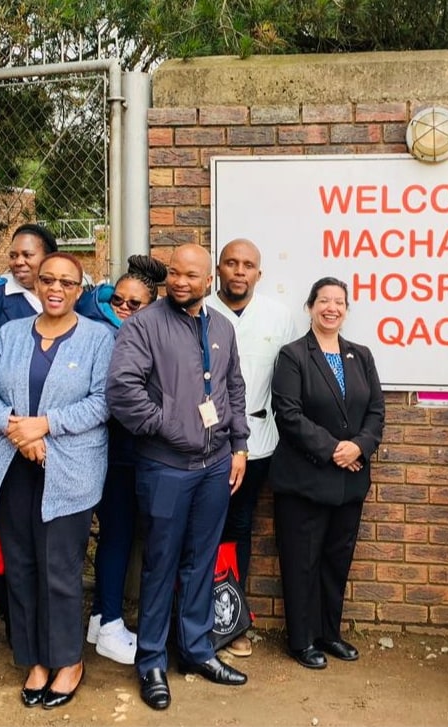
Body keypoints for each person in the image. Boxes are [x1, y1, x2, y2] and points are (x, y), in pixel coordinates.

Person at [106, 244, 251, 711]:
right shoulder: (145, 325)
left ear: (208, 280)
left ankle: (196, 650)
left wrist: (240, 445)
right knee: (160, 563)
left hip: (214, 466)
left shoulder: (223, 327)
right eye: (174, 273)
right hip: (165, 467)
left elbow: (233, 388)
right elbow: (122, 390)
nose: (180, 282)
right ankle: (151, 660)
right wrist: (168, 425)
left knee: (201, 561)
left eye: (191, 275)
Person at [0, 252, 114, 710]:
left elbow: (102, 403)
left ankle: (68, 660)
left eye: (67, 283)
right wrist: (18, 429)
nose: (55, 288)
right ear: (36, 284)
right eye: (47, 279)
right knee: (22, 566)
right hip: (12, 468)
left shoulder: (98, 338)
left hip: (68, 471)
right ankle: (34, 659)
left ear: (79, 290)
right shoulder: (11, 334)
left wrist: (45, 424)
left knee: (60, 570)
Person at [270, 277, 384, 671]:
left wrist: (361, 446)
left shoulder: (361, 355)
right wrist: (337, 449)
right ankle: (302, 640)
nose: (331, 308)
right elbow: (288, 413)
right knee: (302, 562)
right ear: (310, 307)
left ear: (347, 310)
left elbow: (376, 412)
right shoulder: (293, 355)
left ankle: (329, 634)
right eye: (323, 301)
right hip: (304, 480)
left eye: (339, 302)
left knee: (337, 560)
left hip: (349, 482)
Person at [204, 238, 299, 658]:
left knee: (239, 529)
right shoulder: (199, 311)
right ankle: (198, 617)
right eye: (231, 263)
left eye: (248, 265)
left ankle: (230, 619)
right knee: (201, 533)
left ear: (259, 273)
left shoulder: (278, 317)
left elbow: (293, 379)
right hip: (202, 444)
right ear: (218, 269)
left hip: (259, 443)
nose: (239, 271)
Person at [78, 254, 168, 665]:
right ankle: (111, 621)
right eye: (119, 300)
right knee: (115, 533)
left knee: (124, 534)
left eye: (135, 304)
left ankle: (101, 614)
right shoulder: (99, 333)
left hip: (138, 452)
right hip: (113, 452)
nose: (124, 309)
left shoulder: (153, 335)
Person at [0, 223, 59, 459]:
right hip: (6, 426)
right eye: (14, 255)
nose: (19, 262)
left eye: (28, 255)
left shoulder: (64, 296)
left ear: (49, 258)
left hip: (54, 427)